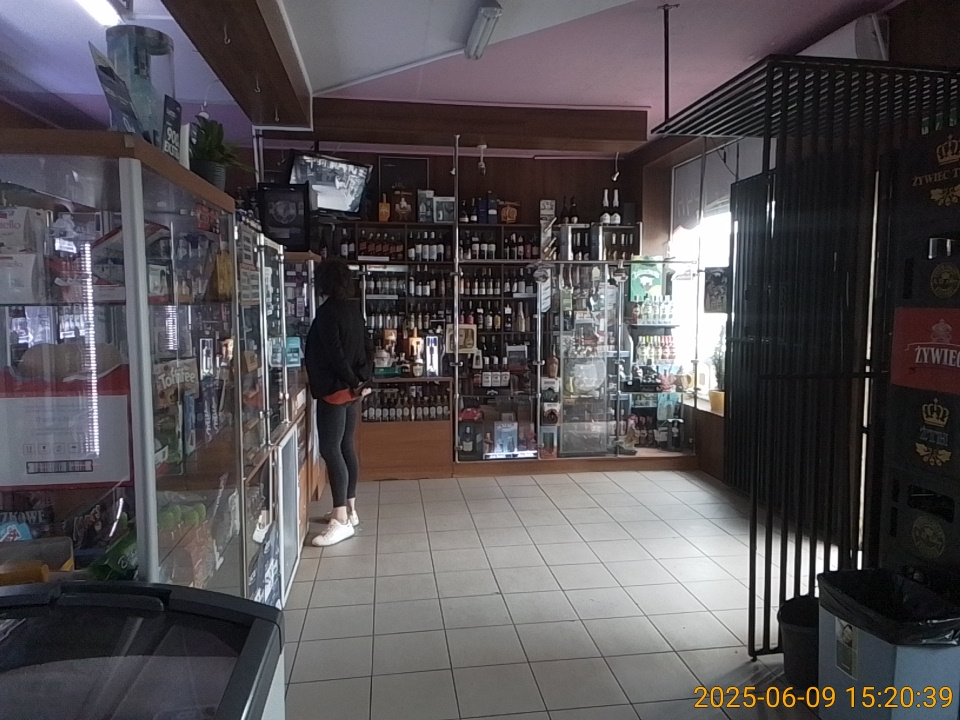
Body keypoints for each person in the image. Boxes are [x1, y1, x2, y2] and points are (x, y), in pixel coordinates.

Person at [304, 257, 373, 546]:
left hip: (334, 390)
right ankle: (349, 509)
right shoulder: (353, 310)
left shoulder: (326, 313)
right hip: (353, 392)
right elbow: (368, 346)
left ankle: (340, 519)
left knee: (330, 450)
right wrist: (362, 380)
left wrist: (351, 380)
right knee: (345, 447)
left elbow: (334, 355)